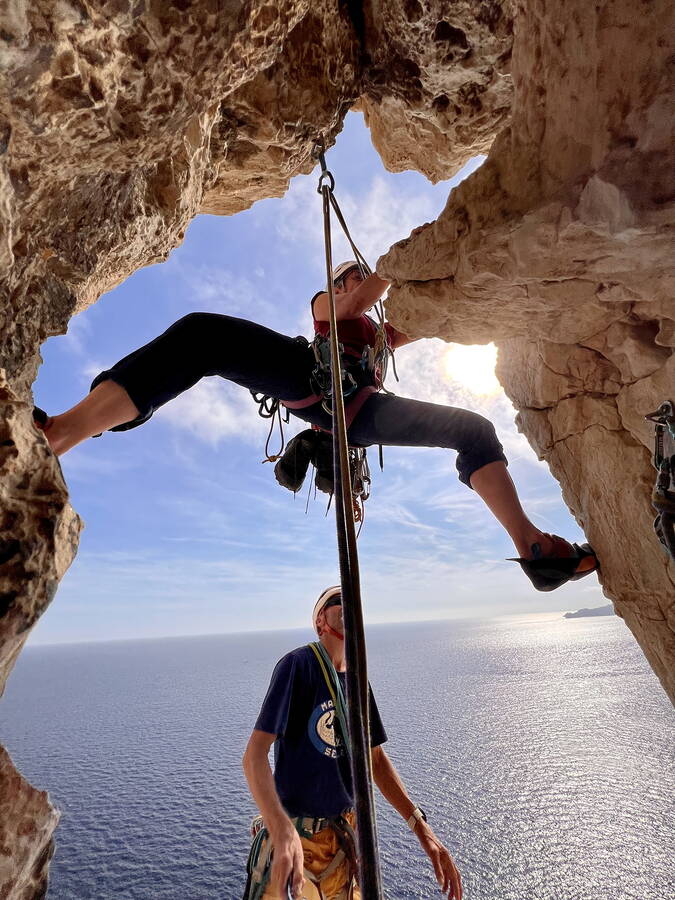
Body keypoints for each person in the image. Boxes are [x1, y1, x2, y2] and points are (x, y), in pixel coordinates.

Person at [33, 261, 598, 591]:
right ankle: (66, 429)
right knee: (203, 334)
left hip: (358, 412)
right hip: (310, 378)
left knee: (473, 430)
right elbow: (347, 309)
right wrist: (390, 268)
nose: (357, 281)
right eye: (351, 276)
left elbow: (425, 322)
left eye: (359, 276)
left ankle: (531, 547)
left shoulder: (378, 337)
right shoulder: (329, 303)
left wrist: (467, 294)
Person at [241, 585, 463, 900]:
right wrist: (280, 828)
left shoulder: (357, 681)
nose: (348, 606)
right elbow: (254, 756)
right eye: (338, 601)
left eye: (353, 602)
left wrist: (421, 828)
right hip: (297, 839)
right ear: (320, 621)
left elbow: (375, 760)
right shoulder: (298, 666)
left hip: (343, 848)